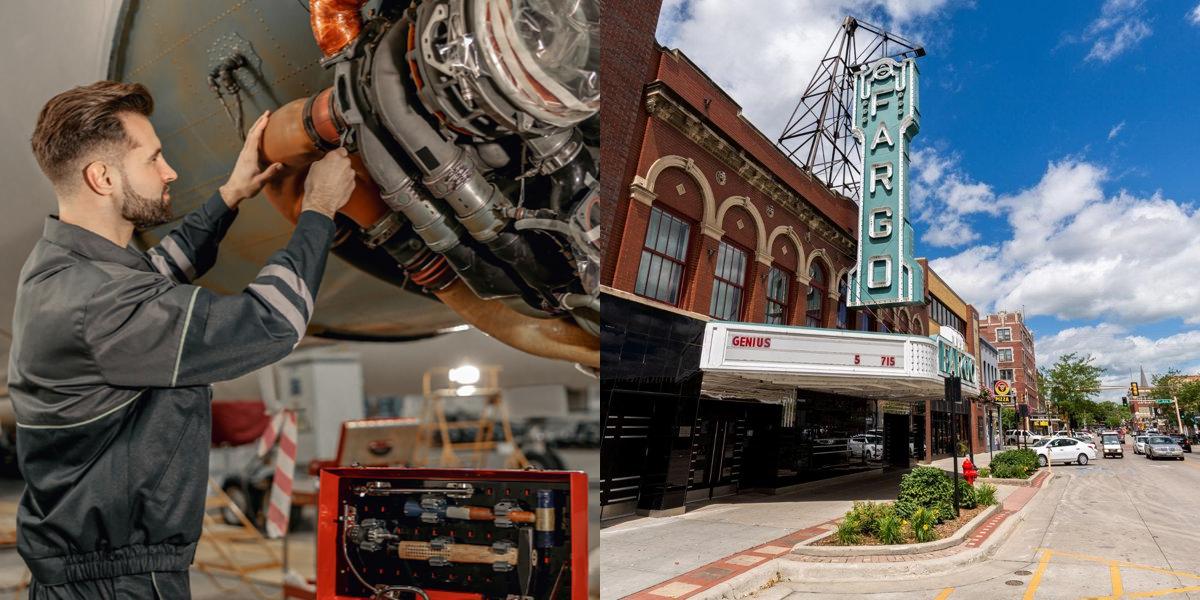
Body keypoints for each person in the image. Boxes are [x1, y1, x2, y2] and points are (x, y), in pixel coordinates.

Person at [9, 81, 354, 598]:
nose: (170, 171)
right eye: (153, 159)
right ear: (102, 177)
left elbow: (158, 274)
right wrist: (320, 208)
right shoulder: (101, 303)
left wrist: (233, 193)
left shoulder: (63, 268)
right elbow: (270, 321)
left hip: (94, 572)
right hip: (118, 584)